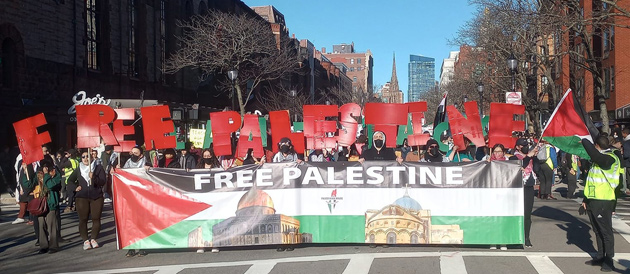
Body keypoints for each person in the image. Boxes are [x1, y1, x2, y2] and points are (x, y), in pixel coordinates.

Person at [582, 136, 620, 272]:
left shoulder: (610, 158)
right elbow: (592, 180)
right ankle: (600, 256)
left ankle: (609, 261)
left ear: (597, 145)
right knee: (597, 231)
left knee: (606, 232)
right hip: (593, 200)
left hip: (604, 201)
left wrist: (584, 140)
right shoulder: (600, 157)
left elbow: (596, 156)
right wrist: (585, 200)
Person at [67, 150, 107, 251]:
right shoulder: (78, 169)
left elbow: (103, 181)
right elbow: (70, 181)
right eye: (83, 157)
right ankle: (85, 240)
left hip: (96, 196)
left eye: (88, 156)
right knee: (83, 219)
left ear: (92, 158)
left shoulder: (98, 168)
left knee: (96, 218)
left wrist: (94, 177)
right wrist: (75, 187)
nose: (85, 159)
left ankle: (93, 239)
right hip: (82, 197)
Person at [509, 138, 539, 248]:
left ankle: (527, 237)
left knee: (527, 214)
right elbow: (519, 167)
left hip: (529, 187)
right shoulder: (513, 157)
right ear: (518, 147)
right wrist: (528, 157)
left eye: (527, 145)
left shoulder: (530, 158)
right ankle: (515, 237)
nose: (526, 147)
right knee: (517, 213)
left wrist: (534, 157)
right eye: (523, 145)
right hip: (517, 188)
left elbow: (537, 169)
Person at [37, 163, 62, 254]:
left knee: (52, 226)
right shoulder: (38, 176)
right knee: (41, 225)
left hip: (51, 204)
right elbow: (29, 185)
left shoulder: (56, 176)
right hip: (40, 205)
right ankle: (43, 246)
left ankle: (53, 246)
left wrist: (47, 175)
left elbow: (50, 185)